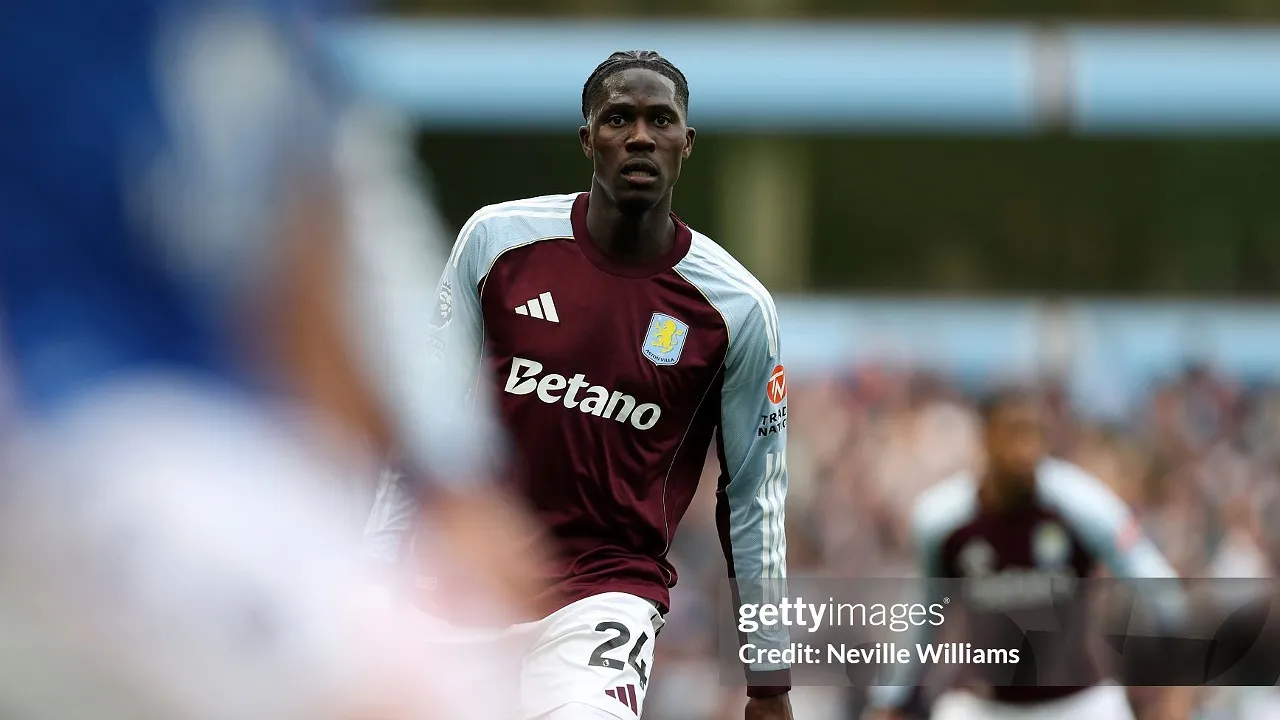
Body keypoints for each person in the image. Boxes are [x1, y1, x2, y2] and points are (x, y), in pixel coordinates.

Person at [0, 1, 536, 717]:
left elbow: (314, 249)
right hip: (70, 423)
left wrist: (440, 489)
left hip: (211, 436)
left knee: (481, 672)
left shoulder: (286, 27)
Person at [365, 50, 794, 719]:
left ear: (687, 142)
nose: (641, 135)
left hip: (606, 593)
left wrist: (768, 676)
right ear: (588, 138)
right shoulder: (497, 243)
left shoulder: (735, 308)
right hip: (470, 578)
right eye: (619, 118)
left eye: (661, 120)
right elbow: (421, 429)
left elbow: (754, 498)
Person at [863, 387, 1192, 720]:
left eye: (1035, 432)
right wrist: (891, 697)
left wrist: (1178, 679)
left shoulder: (1084, 506)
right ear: (986, 439)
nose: (1026, 447)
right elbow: (923, 613)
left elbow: (1160, 587)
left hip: (1080, 705)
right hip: (982, 706)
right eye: (1014, 431)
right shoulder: (943, 521)